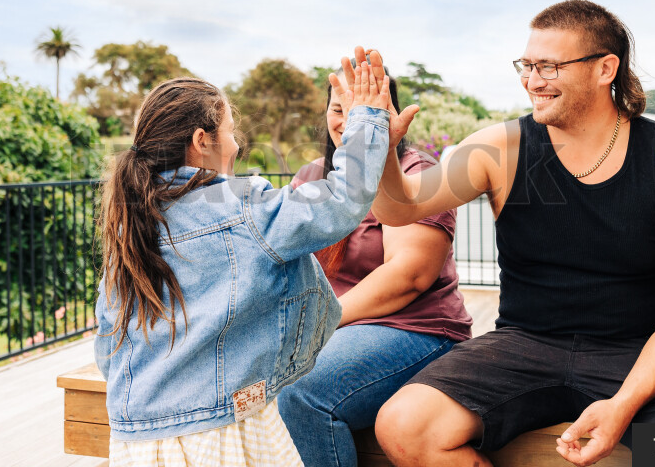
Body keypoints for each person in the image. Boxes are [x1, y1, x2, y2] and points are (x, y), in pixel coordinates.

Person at [360, 0, 655, 467]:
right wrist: (381, 155)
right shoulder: (500, 147)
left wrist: (623, 406)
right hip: (523, 347)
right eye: (526, 66)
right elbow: (401, 207)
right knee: (404, 425)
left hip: (640, 353)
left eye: (548, 66)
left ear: (605, 68)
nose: (532, 81)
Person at [93, 65, 415, 466]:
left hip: (137, 440)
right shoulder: (243, 210)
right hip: (219, 432)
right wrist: (367, 119)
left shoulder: (132, 222)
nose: (236, 146)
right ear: (201, 140)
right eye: (230, 132)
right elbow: (341, 201)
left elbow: (110, 340)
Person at [276, 65, 473, 467]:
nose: (349, 121)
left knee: (301, 390)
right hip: (336, 330)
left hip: (416, 331)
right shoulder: (311, 176)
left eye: (365, 109)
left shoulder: (420, 174)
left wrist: (318, 323)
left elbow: (408, 276)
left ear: (392, 118)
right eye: (338, 108)